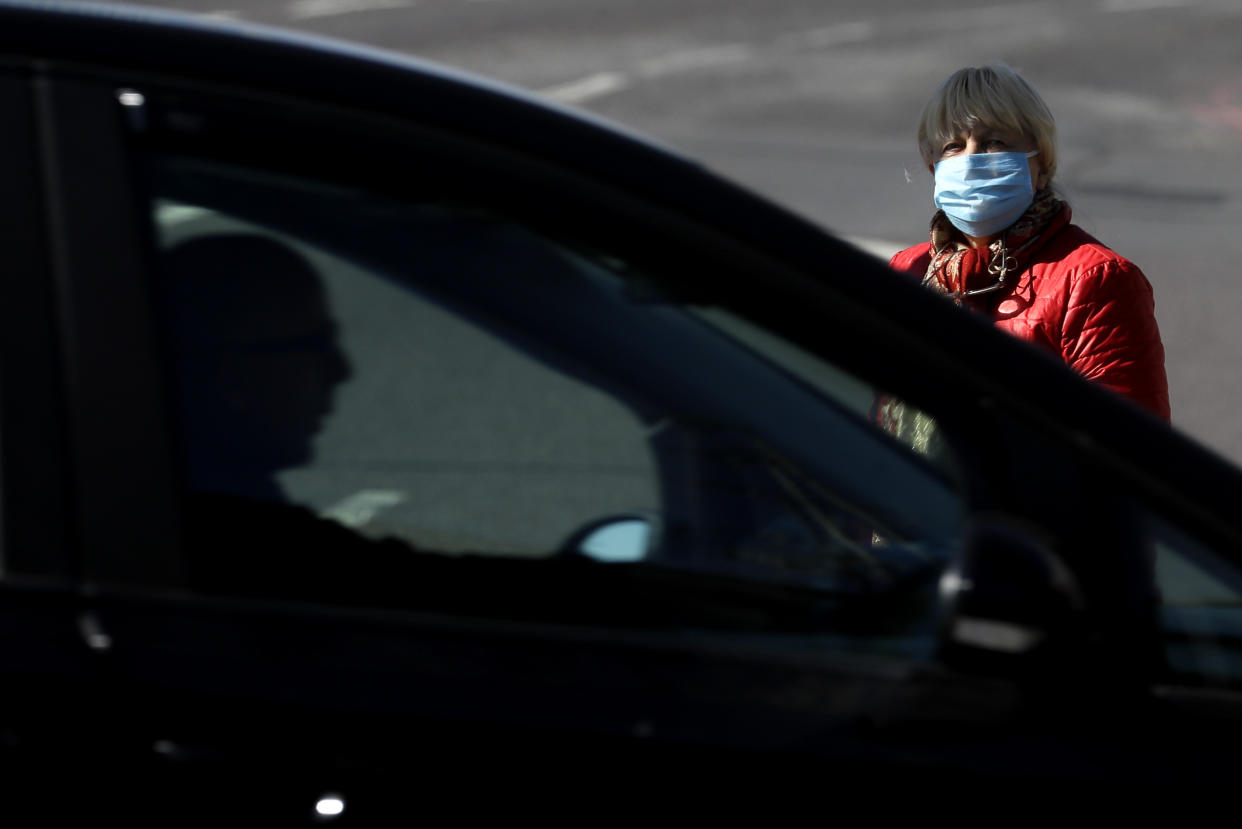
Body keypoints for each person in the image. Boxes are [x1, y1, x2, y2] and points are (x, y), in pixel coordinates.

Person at [890, 62, 1170, 421]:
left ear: (1040, 163)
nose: (972, 159)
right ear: (933, 167)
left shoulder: (1095, 280)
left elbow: (1130, 451)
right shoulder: (908, 270)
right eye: (953, 146)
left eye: (995, 142)